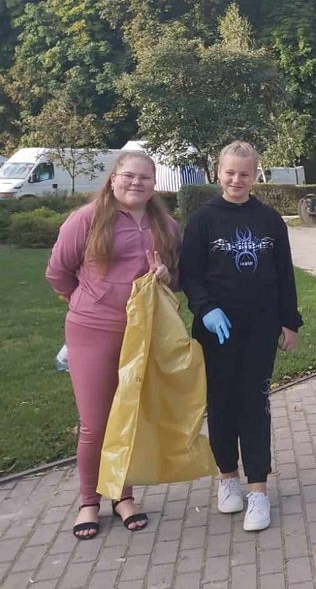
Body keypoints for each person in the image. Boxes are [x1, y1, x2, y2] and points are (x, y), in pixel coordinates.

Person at [46, 151, 181, 540]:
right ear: (113, 179)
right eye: (128, 176)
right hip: (91, 331)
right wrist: (85, 301)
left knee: (129, 419)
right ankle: (89, 501)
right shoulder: (87, 219)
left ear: (154, 184)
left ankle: (123, 496)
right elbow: (58, 272)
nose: (136, 183)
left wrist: (166, 274)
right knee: (95, 423)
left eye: (144, 177)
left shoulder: (167, 226)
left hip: (143, 333)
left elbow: (178, 278)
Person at [180, 141, 301, 532]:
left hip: (259, 329)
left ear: (255, 176)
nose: (236, 180)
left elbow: (284, 274)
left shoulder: (269, 220)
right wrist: (205, 308)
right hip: (216, 331)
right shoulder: (202, 220)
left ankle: (258, 490)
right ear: (219, 172)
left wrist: (290, 321)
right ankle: (227, 477)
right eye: (230, 172)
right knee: (221, 404)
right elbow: (190, 275)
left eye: (244, 174)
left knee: (254, 404)